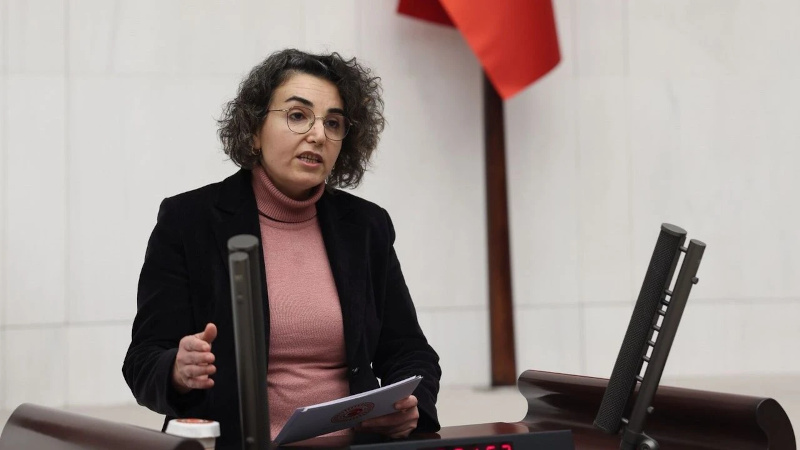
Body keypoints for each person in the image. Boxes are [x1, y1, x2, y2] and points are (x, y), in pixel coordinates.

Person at [122, 49, 442, 449]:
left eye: (333, 123)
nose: (318, 135)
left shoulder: (366, 227)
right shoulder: (189, 221)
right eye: (297, 115)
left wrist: (410, 406)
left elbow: (409, 351)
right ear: (254, 131)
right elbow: (143, 360)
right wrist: (176, 369)